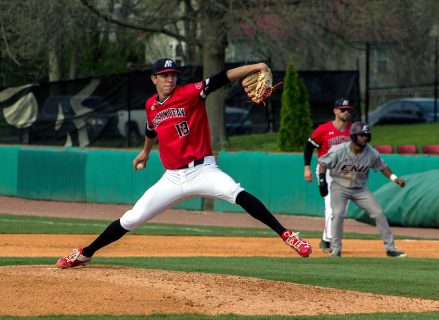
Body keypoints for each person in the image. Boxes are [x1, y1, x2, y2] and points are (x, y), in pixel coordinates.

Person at [56, 58, 312, 268]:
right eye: (164, 75)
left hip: (203, 169)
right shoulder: (151, 105)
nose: (170, 79)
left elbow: (223, 77)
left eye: (173, 74)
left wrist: (257, 66)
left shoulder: (190, 93)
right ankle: (85, 253)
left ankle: (287, 234)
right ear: (154, 79)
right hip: (172, 178)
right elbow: (150, 130)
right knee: (132, 219)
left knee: (238, 193)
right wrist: (145, 153)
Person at [318, 121, 406, 258]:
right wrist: (322, 180)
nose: (364, 138)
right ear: (353, 136)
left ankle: (391, 249)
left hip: (359, 189)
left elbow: (383, 167)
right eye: (361, 135)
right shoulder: (339, 150)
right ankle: (336, 250)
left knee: (378, 213)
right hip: (339, 187)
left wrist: (394, 178)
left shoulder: (371, 153)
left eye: (366, 135)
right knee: (338, 214)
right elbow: (323, 162)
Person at [303, 98, 353, 253]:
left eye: (348, 110)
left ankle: (325, 240)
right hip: (327, 170)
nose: (346, 112)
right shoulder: (323, 129)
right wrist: (307, 168)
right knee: (331, 204)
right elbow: (309, 147)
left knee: (342, 208)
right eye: (343, 109)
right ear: (335, 111)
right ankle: (332, 241)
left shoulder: (353, 129)